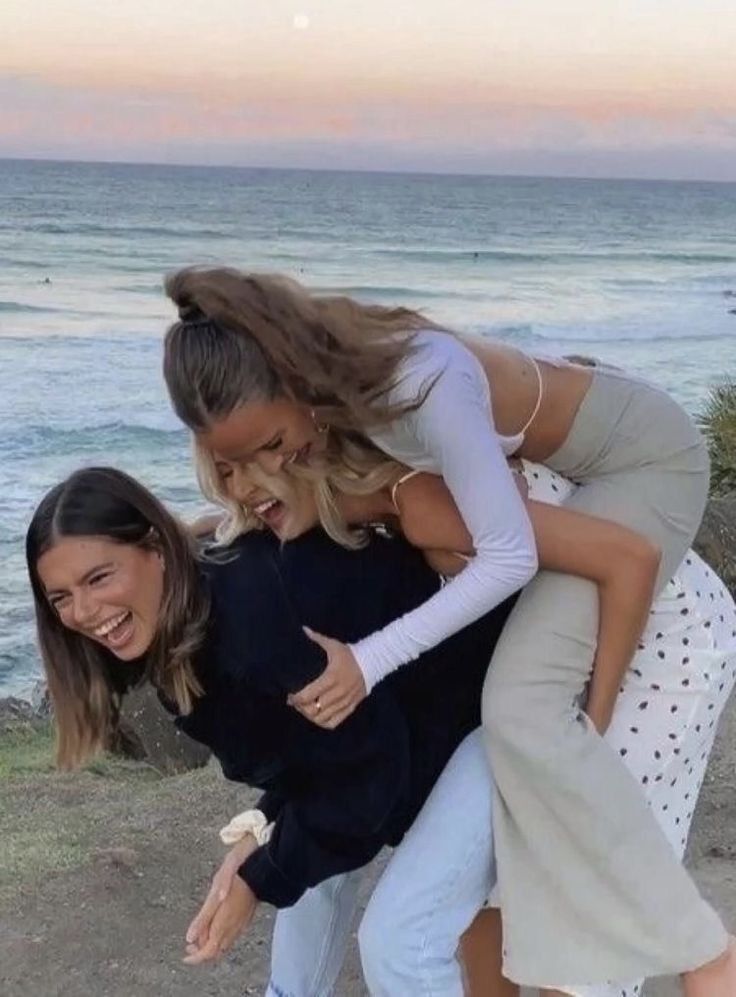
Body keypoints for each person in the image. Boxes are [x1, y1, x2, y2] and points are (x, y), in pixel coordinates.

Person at [161, 265, 734, 992]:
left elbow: (562, 553)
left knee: (522, 711)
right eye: (235, 467)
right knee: (498, 886)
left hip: (645, 470)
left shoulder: (415, 427)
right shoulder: (349, 447)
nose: (267, 472)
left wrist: (589, 719)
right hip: (579, 501)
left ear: (293, 382)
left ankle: (702, 949)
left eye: (271, 447)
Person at [27, 466, 518, 995]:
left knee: (401, 942)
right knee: (311, 871)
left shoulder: (249, 617)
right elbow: (324, 756)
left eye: (99, 578)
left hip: (497, 707)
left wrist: (259, 879)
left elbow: (368, 774)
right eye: (60, 598)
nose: (83, 611)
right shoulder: (187, 617)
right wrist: (264, 833)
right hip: (419, 726)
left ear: (157, 548)